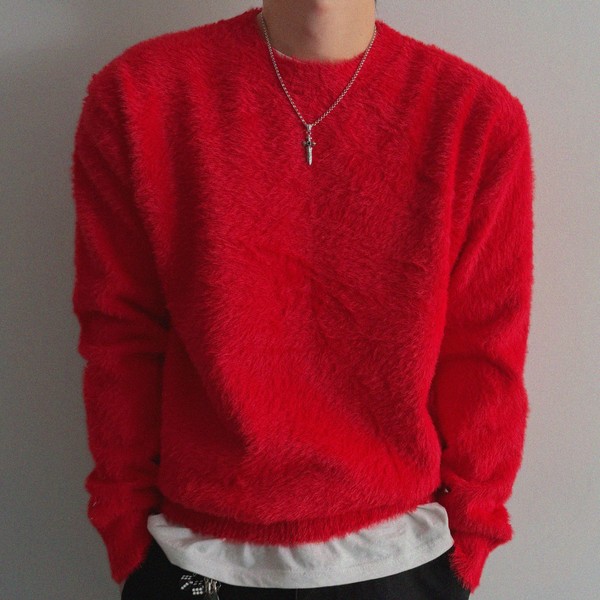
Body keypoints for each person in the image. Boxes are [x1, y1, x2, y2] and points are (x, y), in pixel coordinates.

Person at [70, 1, 534, 598]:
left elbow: (486, 354)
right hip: (192, 552)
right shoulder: (138, 97)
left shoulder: (474, 117)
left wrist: (470, 539)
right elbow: (119, 334)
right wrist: (125, 530)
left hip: (404, 557)